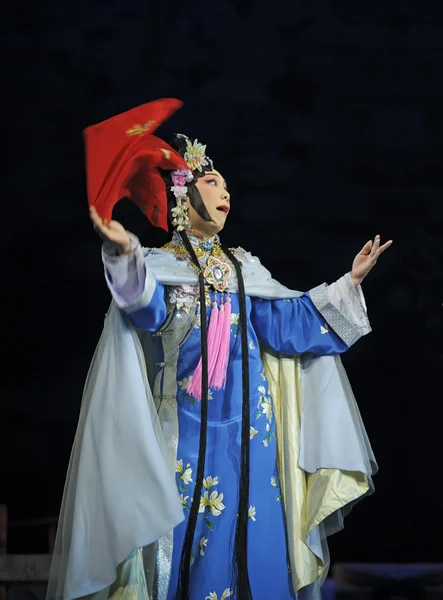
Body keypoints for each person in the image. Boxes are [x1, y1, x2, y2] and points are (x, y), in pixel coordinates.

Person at [47, 99, 392, 600]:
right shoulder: (161, 268)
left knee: (256, 544)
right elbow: (144, 310)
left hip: (253, 438)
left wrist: (349, 281)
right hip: (184, 433)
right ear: (182, 194)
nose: (227, 191)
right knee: (187, 547)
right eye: (213, 183)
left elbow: (287, 323)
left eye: (227, 185)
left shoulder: (243, 268)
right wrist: (124, 255)